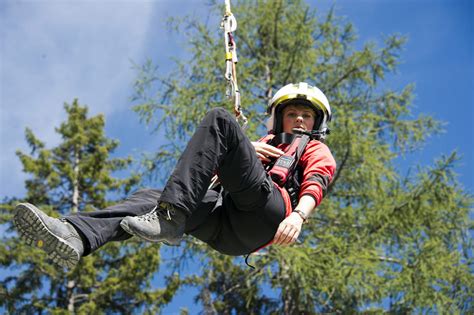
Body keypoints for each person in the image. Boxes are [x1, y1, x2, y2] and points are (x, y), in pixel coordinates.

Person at [14, 82, 336, 269]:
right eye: (292, 113)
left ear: (315, 123)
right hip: (224, 225)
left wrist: (298, 217)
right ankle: (77, 235)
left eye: (305, 115)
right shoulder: (259, 146)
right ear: (278, 118)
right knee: (147, 199)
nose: (298, 120)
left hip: (265, 214)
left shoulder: (313, 148)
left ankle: (171, 217)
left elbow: (317, 180)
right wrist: (248, 148)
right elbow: (206, 169)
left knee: (220, 120)